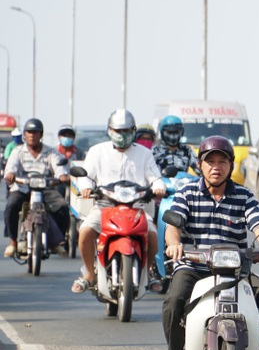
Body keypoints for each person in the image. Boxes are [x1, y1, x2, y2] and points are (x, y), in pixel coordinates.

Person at [161, 135, 259, 350]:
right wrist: (174, 244)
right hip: (194, 266)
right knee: (173, 302)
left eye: (222, 162)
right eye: (210, 161)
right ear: (200, 165)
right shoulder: (188, 193)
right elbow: (173, 227)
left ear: (231, 166)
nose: (216, 167)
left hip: (235, 269)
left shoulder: (244, 195)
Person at [71, 109, 167, 294]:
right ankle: (89, 274)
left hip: (136, 208)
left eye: (126, 131)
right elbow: (86, 176)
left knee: (153, 236)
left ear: (134, 130)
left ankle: (148, 273)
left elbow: (155, 177)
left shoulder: (145, 154)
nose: (122, 135)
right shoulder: (97, 151)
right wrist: (86, 187)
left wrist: (158, 187)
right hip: (104, 206)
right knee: (85, 232)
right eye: (118, 131)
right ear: (109, 130)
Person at [3, 118, 70, 257]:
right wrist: (10, 174)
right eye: (29, 132)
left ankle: (58, 242)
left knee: (62, 207)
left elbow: (59, 167)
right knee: (11, 206)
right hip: (22, 188)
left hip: (45, 188)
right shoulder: (17, 151)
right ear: (24, 134)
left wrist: (62, 176)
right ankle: (13, 242)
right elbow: (11, 167)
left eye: (35, 132)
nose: (32, 135)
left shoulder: (51, 152)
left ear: (41, 134)